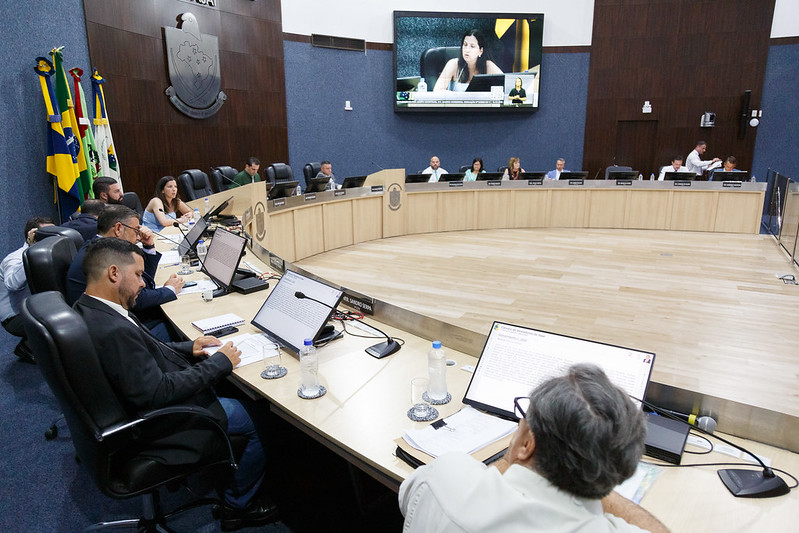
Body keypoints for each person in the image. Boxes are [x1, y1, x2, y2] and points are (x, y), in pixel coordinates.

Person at [73, 238, 277, 530]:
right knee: (260, 417)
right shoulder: (112, 330)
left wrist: (189, 347)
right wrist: (220, 363)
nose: (145, 283)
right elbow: (159, 393)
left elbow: (147, 349)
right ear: (114, 273)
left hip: (134, 405)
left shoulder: (91, 308)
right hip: (157, 423)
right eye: (138, 275)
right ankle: (238, 505)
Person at [398, 364, 669, 533]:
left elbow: (405, 498)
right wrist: (594, 476)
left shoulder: (446, 473)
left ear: (528, 443)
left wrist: (514, 456)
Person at [66, 205, 184, 342]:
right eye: (136, 230)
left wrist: (148, 247)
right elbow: (136, 299)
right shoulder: (105, 258)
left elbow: (144, 283)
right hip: (116, 331)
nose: (139, 236)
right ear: (118, 229)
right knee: (177, 324)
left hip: (116, 320)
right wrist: (169, 290)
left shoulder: (99, 246)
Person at [0, 216, 54, 363]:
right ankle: (27, 346)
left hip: (33, 308)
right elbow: (12, 284)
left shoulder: (49, 255)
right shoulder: (14, 259)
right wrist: (31, 251)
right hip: (14, 318)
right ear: (33, 236)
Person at [434, 29, 503, 92]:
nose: (467, 50)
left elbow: (506, 84)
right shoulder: (453, 64)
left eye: (472, 46)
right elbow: (437, 90)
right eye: (465, 45)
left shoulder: (488, 66)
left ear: (480, 51)